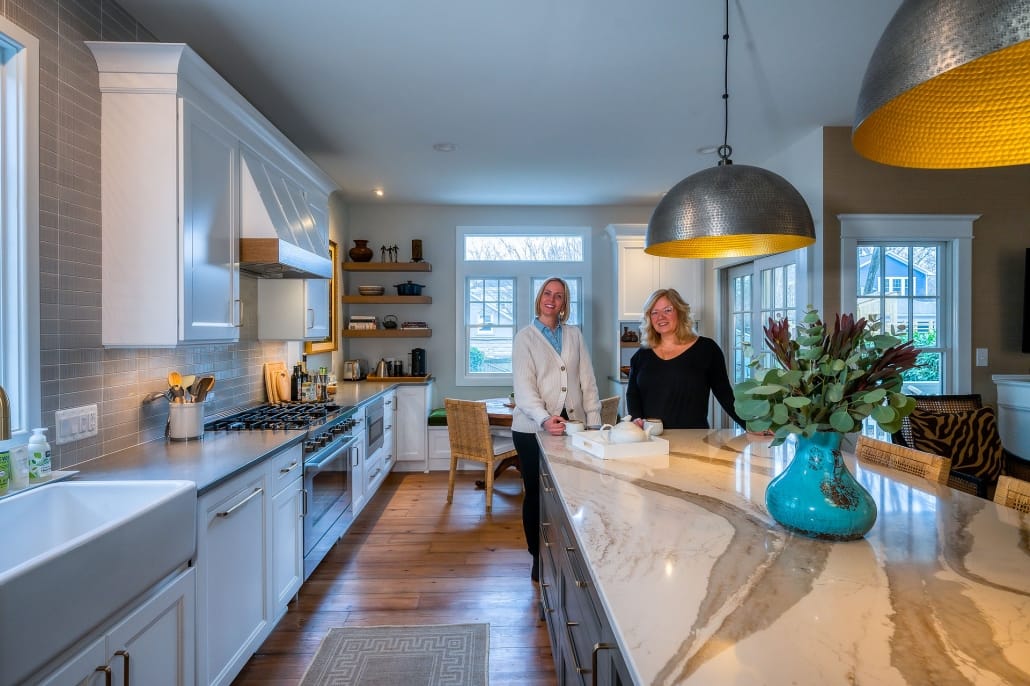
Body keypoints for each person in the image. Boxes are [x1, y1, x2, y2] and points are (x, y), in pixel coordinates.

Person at [511, 277, 602, 582]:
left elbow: (587, 380)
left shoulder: (574, 334)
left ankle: (568, 551)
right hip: (531, 430)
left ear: (565, 303)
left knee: (574, 491)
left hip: (574, 427)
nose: (552, 299)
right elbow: (524, 389)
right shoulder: (524, 338)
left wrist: (592, 421)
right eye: (547, 294)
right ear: (539, 298)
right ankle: (538, 557)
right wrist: (543, 418)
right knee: (536, 494)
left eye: (559, 296)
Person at [626, 288, 745, 430]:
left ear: (680, 312)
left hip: (693, 439)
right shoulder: (641, 355)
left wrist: (750, 425)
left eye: (667, 310)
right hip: (652, 440)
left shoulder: (706, 349)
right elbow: (632, 394)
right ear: (649, 319)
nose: (661, 317)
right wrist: (636, 419)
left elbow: (725, 394)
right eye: (654, 313)